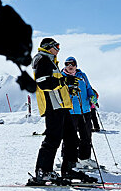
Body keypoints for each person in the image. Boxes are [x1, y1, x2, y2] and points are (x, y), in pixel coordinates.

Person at [29, 38, 96, 186]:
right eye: (56, 46)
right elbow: (43, 83)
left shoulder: (51, 61)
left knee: (72, 138)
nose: (58, 49)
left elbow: (56, 84)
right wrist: (64, 82)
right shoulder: (42, 59)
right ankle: (43, 172)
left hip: (62, 106)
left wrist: (68, 88)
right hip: (53, 106)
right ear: (48, 47)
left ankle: (69, 169)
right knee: (53, 138)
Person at [61, 57, 98, 169]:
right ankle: (68, 160)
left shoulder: (82, 76)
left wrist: (92, 97)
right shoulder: (62, 77)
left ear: (76, 65)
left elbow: (88, 88)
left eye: (72, 64)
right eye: (67, 64)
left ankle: (85, 158)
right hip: (70, 112)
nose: (70, 66)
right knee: (70, 137)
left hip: (85, 110)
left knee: (86, 135)